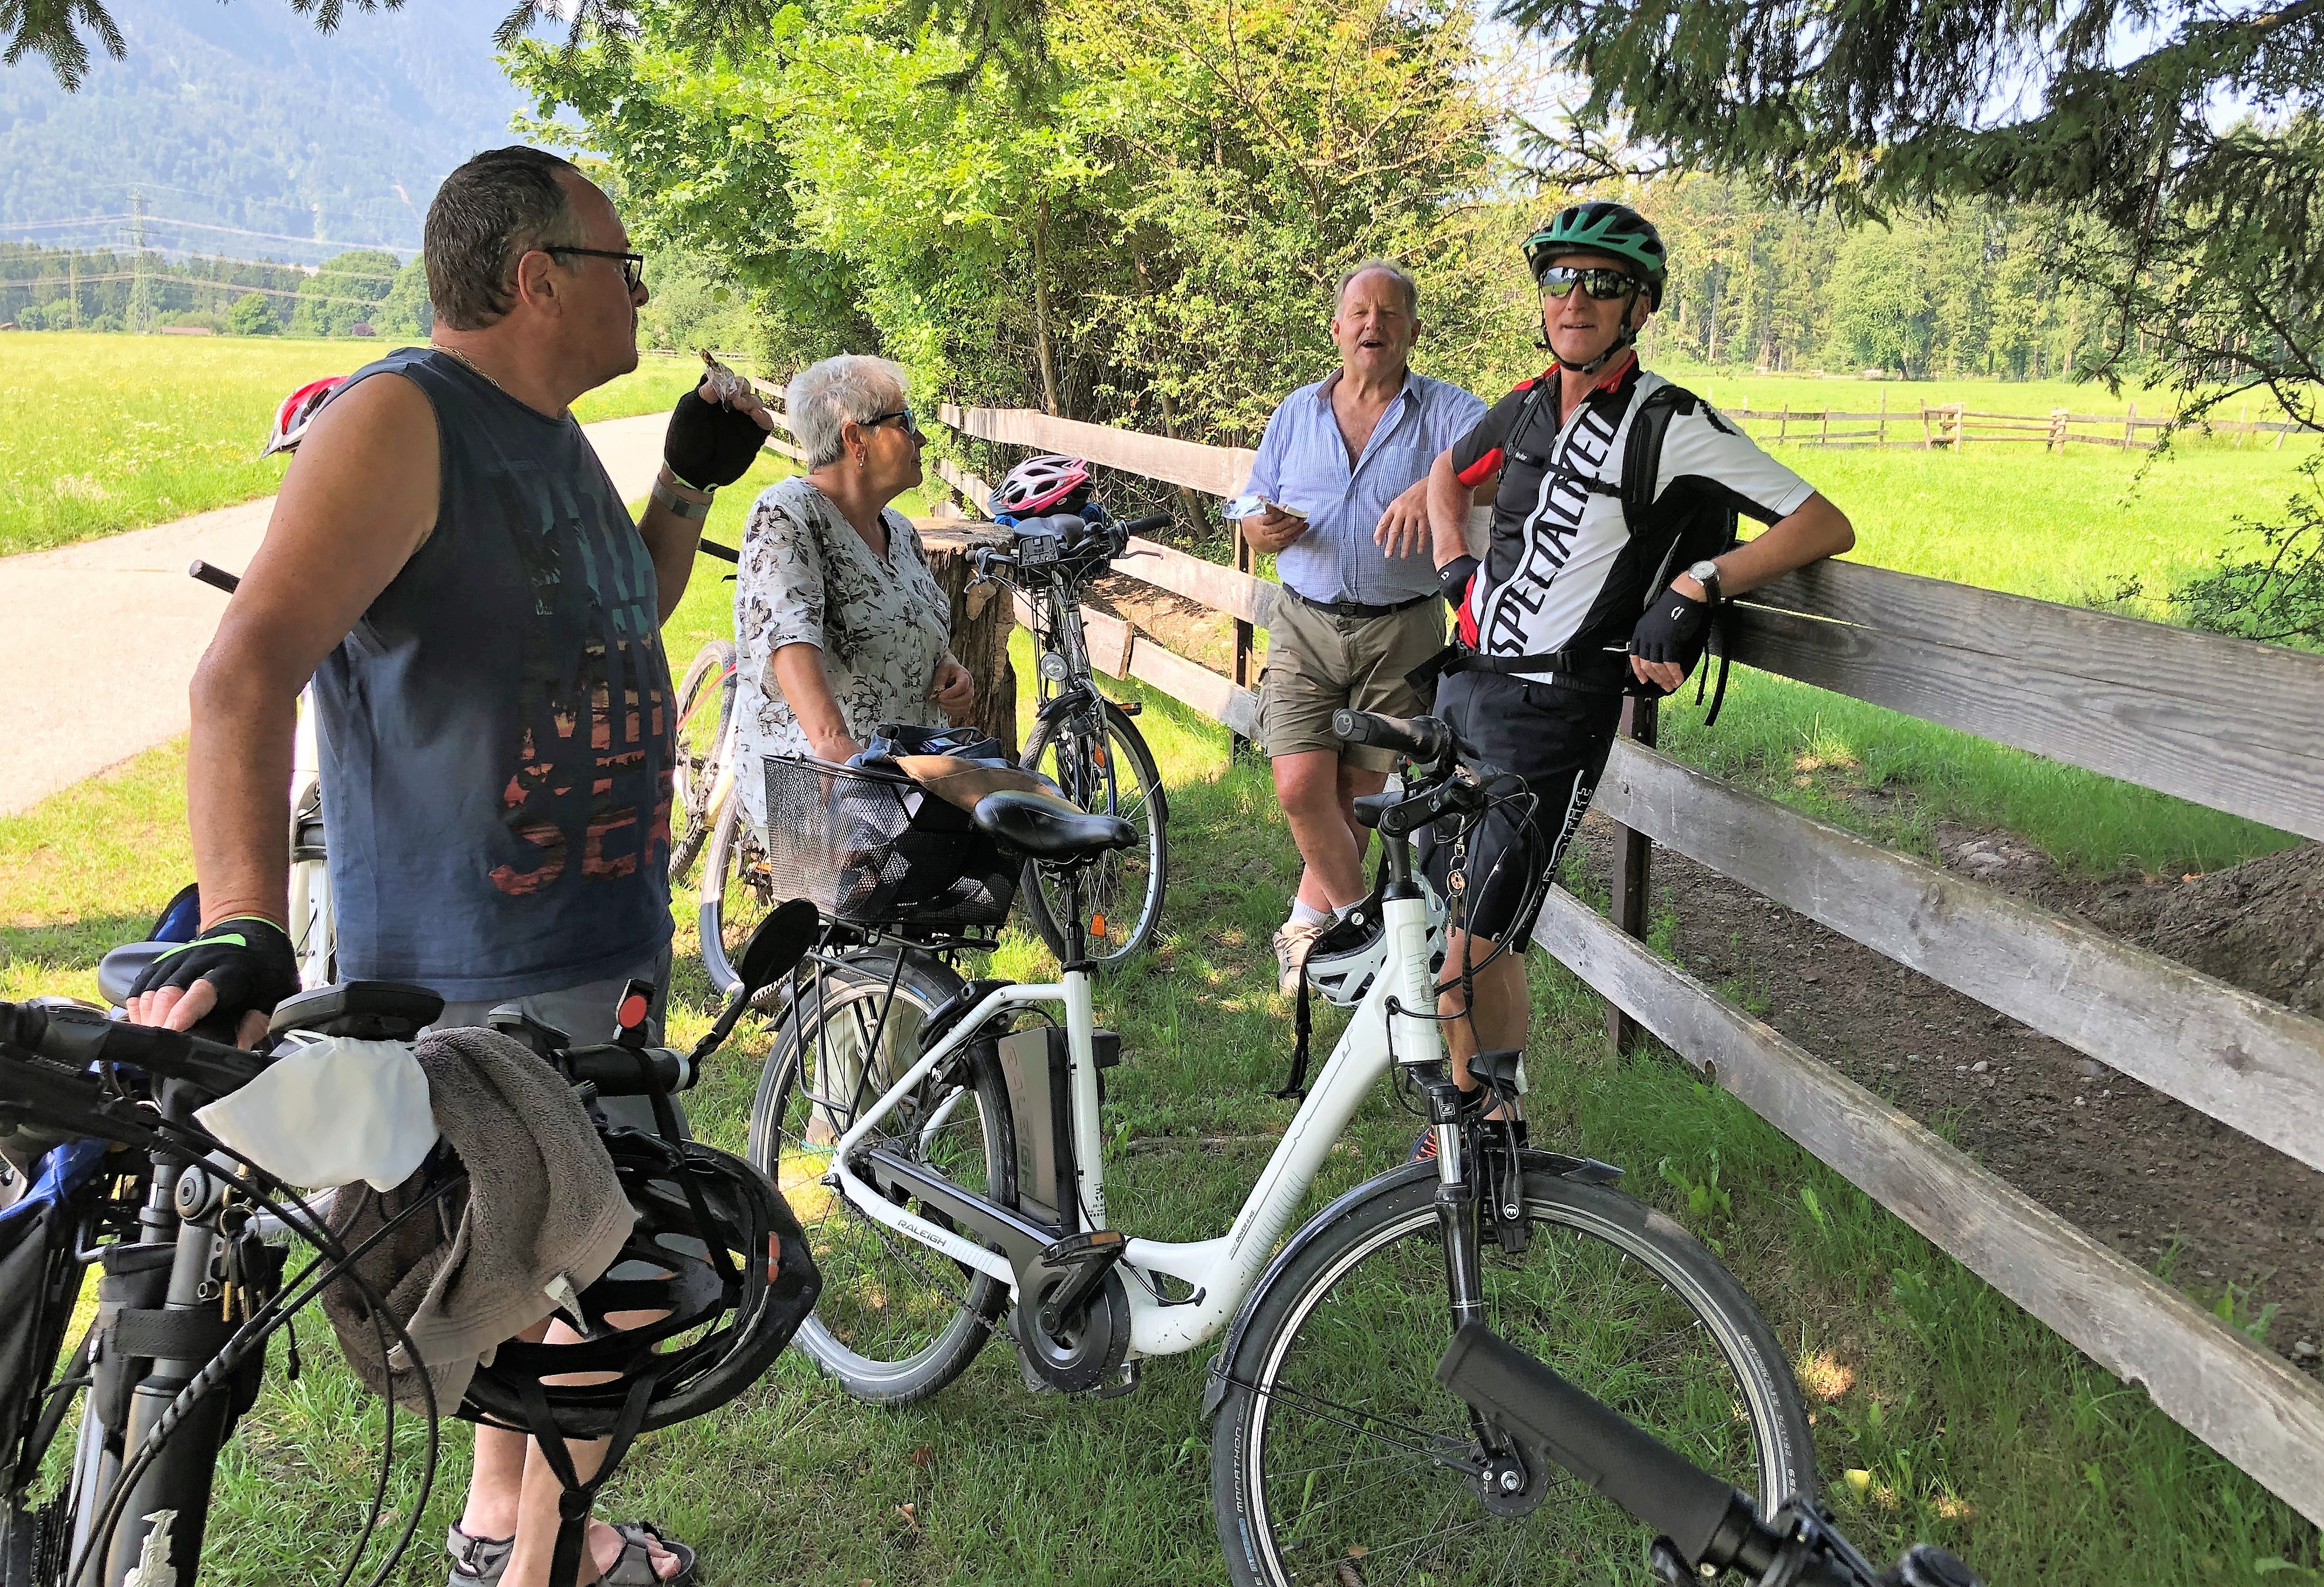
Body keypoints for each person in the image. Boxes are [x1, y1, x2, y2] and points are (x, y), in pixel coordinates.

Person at [124, 145, 776, 1587]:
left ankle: (502, 1530)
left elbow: (619, 602)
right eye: (621, 266)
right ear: (538, 278)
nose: (641, 293)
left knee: (534, 1275)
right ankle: (545, 1564)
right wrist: (241, 919)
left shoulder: (546, 436)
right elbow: (243, 672)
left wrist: (682, 481)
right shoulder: (403, 418)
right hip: (476, 976)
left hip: (591, 951)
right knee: (616, 1284)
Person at [1415, 200, 1857, 1153]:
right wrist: (1453, 565)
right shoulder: (1524, 406)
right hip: (1468, 687)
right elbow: (1447, 477)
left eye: (1602, 282)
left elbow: (1822, 523)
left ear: (1639, 307)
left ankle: (1477, 1133)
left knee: (1467, 952)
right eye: (1559, 279)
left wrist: (1701, 582)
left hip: (1552, 714)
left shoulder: (1670, 422)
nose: (1574, 298)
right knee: (1470, 925)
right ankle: (1488, 1122)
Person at [1235, 258, 1487, 996]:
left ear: (1413, 330)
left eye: (1389, 312)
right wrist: (1256, 528)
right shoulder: (1296, 412)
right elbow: (1250, 500)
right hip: (1303, 622)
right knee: (1299, 787)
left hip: (1401, 630)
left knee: (1356, 794)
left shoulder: (1448, 411)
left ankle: (1305, 930)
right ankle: (1367, 933)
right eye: (1360, 312)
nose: (1373, 324)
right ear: (1338, 328)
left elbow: (1506, 461)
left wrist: (1437, 482)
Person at [729, 354, 977, 839]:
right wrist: (834, 745)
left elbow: (910, 621)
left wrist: (948, 667)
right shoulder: (787, 512)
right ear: (855, 438)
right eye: (905, 422)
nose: (920, 439)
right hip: (828, 796)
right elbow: (786, 636)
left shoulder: (900, 531)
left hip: (906, 792)